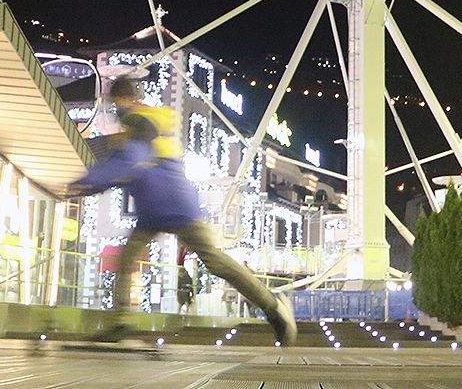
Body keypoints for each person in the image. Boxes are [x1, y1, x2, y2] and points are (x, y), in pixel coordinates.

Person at [63, 76, 296, 345]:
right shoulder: (142, 121)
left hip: (170, 204)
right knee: (133, 259)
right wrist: (90, 184)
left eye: (115, 101)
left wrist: (84, 183)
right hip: (158, 208)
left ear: (122, 98)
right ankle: (120, 322)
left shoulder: (138, 122)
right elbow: (125, 163)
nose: (115, 107)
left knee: (212, 261)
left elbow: (129, 160)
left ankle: (273, 306)